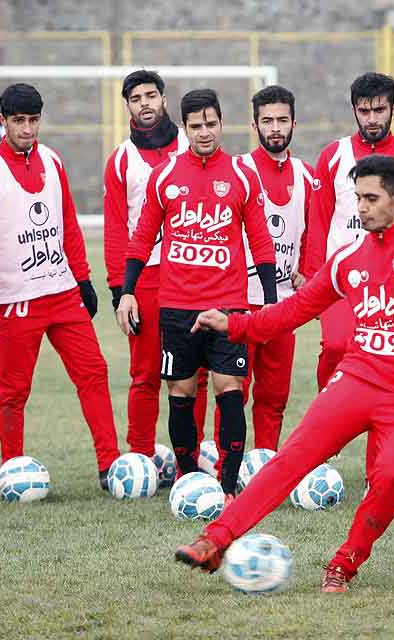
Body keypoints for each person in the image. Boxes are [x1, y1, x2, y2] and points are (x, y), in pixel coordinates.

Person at [173, 155, 394, 592]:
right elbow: (293, 311)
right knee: (292, 457)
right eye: (357, 198)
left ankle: (344, 563)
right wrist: (235, 324)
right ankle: (214, 540)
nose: (362, 208)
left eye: (371, 198)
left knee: (391, 478)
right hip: (356, 380)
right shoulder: (346, 259)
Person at [116, 88, 277, 499]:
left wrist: (271, 304)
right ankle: (188, 482)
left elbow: (261, 242)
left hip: (228, 306)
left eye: (211, 124)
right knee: (181, 393)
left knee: (230, 390)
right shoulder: (165, 176)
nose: (204, 133)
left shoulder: (242, 175)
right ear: (184, 129)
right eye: (196, 126)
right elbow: (141, 239)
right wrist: (128, 292)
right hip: (176, 307)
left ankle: (226, 485)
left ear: (222, 124)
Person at [0, 83, 121, 489]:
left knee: (94, 372)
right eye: (19, 121)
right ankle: (11, 470)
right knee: (14, 392)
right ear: (3, 121)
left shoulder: (52, 161)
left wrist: (83, 278)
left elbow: (68, 223)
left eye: (34, 121)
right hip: (16, 300)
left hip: (63, 293)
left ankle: (109, 466)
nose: (27, 129)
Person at [304, 71, 394, 483]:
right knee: (338, 345)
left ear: (393, 109)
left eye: (380, 109)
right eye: (365, 110)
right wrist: (312, 280)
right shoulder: (334, 156)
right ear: (354, 111)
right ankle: (333, 430)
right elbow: (319, 217)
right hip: (345, 280)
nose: (372, 118)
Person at [103, 69, 209, 458]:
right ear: (128, 106)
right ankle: (140, 457)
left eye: (151, 95)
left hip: (193, 270)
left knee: (195, 372)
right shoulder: (121, 160)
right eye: (136, 98)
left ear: (165, 100)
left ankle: (192, 454)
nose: (144, 103)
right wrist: (121, 291)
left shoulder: (192, 142)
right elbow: (116, 228)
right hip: (145, 277)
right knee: (145, 373)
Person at [211, 85, 315, 451]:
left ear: (293, 124)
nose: (275, 128)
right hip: (239, 302)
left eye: (282, 120)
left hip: (283, 306)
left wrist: (308, 268)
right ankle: (227, 464)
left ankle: (265, 462)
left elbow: (314, 231)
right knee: (232, 392)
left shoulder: (306, 175)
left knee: (274, 396)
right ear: (254, 125)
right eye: (267, 120)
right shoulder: (238, 169)